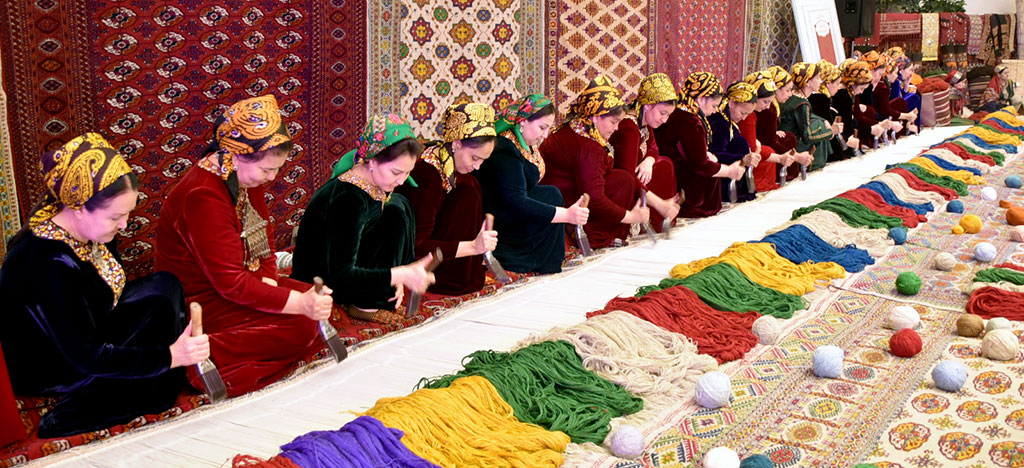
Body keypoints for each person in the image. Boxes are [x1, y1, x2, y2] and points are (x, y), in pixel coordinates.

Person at [0, 133, 209, 437]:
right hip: (58, 364)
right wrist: (170, 356)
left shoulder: (89, 230)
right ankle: (76, 412)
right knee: (160, 371)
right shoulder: (45, 263)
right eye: (115, 217)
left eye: (127, 214)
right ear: (79, 207)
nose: (124, 225)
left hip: (89, 328)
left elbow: (107, 297)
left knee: (165, 288)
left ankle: (158, 377)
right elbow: (85, 355)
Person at [156, 95, 333, 398]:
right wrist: (296, 303)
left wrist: (270, 281)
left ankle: (260, 351)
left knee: (316, 303)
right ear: (238, 156)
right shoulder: (202, 196)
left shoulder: (243, 177)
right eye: (266, 169)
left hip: (237, 283)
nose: (272, 177)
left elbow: (264, 241)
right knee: (304, 323)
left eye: (276, 169)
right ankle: (206, 355)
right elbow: (230, 284)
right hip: (201, 301)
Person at [291, 114, 436, 323]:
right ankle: (364, 304)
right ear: (372, 160)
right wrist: (399, 274)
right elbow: (341, 274)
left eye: (407, 173)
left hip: (346, 266)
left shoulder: (371, 184)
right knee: (394, 213)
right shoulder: (348, 200)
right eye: (396, 172)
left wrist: (397, 276)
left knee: (397, 208)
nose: (401, 180)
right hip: (324, 279)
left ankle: (382, 293)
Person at [474, 94, 589, 274]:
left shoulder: (523, 142)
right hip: (499, 219)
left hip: (512, 210)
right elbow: (515, 201)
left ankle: (548, 260)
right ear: (523, 121)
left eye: (548, 128)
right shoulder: (504, 148)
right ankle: (521, 258)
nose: (545, 135)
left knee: (551, 194)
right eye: (542, 127)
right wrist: (566, 215)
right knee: (551, 196)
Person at [395, 103, 498, 295]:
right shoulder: (427, 176)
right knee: (467, 191)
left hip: (441, 253)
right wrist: (472, 247)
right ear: (456, 143)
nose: (477, 166)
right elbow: (416, 245)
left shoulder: (446, 161)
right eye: (475, 158)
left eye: (483, 160)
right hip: (418, 263)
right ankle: (452, 277)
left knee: (470, 183)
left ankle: (465, 269)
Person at [540, 75, 649, 246]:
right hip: (563, 201)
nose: (616, 128)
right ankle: (595, 236)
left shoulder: (577, 124)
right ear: (597, 116)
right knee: (624, 181)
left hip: (555, 193)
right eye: (613, 122)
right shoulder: (588, 147)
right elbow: (595, 198)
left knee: (621, 178)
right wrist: (631, 217)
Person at [653, 72, 745, 217]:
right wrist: (729, 171)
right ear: (701, 99)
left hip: (667, 169)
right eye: (714, 105)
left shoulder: (679, 111)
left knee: (713, 161)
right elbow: (699, 164)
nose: (715, 110)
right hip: (680, 179)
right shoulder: (691, 121)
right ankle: (699, 207)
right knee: (711, 169)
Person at [609, 73, 682, 231]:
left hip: (634, 178)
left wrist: (649, 160)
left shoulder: (645, 122)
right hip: (620, 184)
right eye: (662, 113)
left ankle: (659, 221)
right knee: (663, 165)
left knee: (663, 163)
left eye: (668, 115)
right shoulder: (629, 127)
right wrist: (659, 203)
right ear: (648, 105)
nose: (665, 120)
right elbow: (627, 174)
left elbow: (654, 147)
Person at [737, 72, 796, 192]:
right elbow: (752, 148)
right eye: (765, 102)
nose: (768, 106)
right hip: (740, 159)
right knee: (768, 150)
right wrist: (780, 158)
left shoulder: (756, 113)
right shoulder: (748, 116)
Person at [755, 66, 812, 183]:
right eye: (787, 90)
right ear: (776, 89)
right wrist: (797, 156)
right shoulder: (769, 109)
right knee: (789, 139)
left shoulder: (773, 107)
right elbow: (769, 142)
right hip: (759, 149)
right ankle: (787, 174)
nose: (790, 94)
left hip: (760, 144)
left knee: (788, 136)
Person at [780, 62, 839, 171]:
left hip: (785, 140)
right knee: (820, 127)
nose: (820, 81)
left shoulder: (793, 97)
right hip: (792, 144)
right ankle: (815, 164)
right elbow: (807, 137)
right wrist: (830, 132)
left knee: (820, 123)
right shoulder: (803, 104)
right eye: (817, 78)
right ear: (807, 82)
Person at [833, 60, 883, 153]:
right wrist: (870, 129)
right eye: (861, 88)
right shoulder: (844, 95)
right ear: (852, 83)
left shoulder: (850, 94)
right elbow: (848, 125)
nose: (861, 92)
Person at [808, 60, 849, 162]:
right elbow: (828, 130)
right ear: (828, 83)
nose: (838, 88)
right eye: (837, 84)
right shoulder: (821, 99)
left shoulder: (818, 98)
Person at [886, 47, 922, 128]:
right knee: (914, 97)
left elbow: (900, 97)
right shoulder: (896, 81)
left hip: (896, 107)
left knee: (916, 94)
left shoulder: (900, 81)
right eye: (910, 70)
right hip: (892, 110)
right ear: (901, 70)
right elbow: (897, 102)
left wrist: (906, 84)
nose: (911, 73)